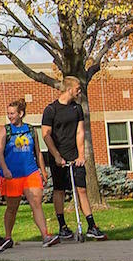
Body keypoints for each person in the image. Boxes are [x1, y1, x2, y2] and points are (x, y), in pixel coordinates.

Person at [41, 77, 107, 240]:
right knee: (59, 190)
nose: (79, 91)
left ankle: (91, 226)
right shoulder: (51, 110)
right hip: (57, 156)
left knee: (82, 189)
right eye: (77, 88)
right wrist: (56, 155)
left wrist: (81, 155)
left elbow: (80, 132)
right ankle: (62, 226)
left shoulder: (77, 109)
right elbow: (46, 135)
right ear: (69, 89)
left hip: (74, 155)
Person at [0, 99, 59, 251]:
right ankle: (8, 237)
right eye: (8, 113)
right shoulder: (5, 130)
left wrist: (43, 170)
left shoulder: (30, 130)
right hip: (12, 175)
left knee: (36, 204)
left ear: (21, 113)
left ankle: (45, 235)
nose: (10, 116)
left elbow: (38, 152)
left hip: (30, 172)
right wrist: (5, 169)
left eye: (12, 113)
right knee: (12, 208)